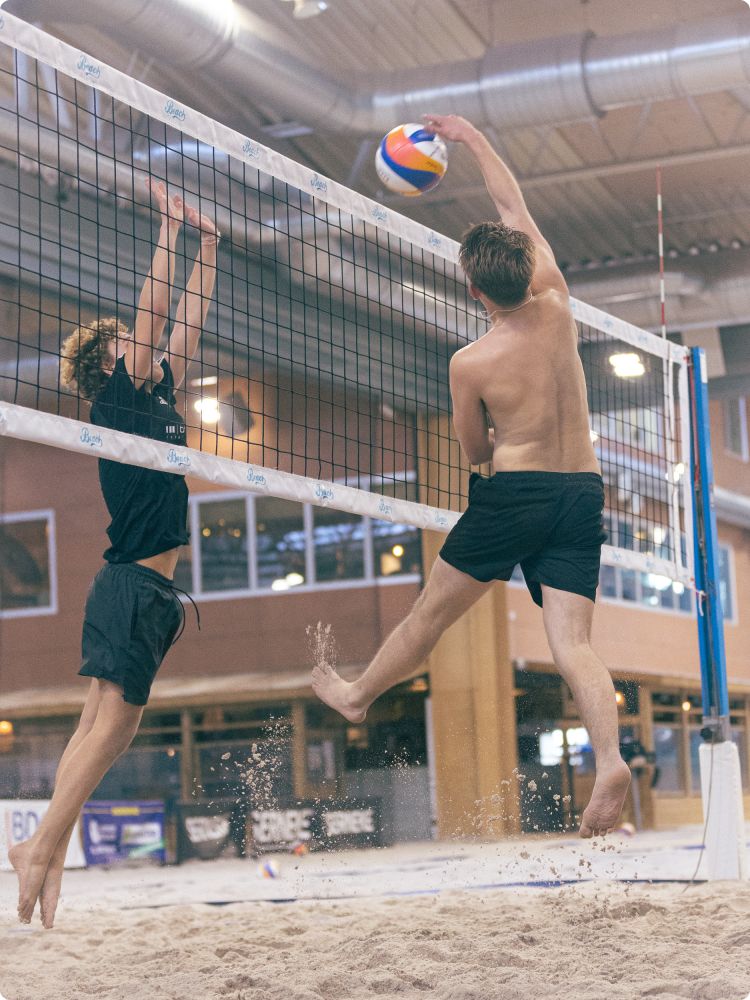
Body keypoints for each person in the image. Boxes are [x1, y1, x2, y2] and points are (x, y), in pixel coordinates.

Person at [312, 113, 631, 840]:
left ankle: (358, 696)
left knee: (429, 616)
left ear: (476, 290)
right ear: (527, 268)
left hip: (515, 494)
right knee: (574, 645)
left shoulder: (472, 362)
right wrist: (474, 139)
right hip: (581, 490)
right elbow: (512, 206)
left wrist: (496, 428)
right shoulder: (559, 301)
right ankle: (609, 758)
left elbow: (473, 452)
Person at [9, 180, 220, 927]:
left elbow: (183, 323)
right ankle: (40, 845)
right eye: (127, 346)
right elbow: (153, 314)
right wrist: (169, 228)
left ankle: (41, 849)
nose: (144, 347)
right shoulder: (119, 403)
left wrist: (209, 246)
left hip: (138, 589)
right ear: (109, 367)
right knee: (110, 729)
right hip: (132, 585)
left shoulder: (157, 398)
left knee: (98, 726)